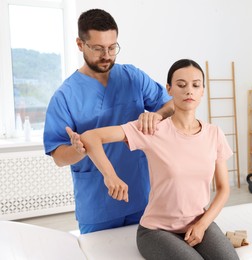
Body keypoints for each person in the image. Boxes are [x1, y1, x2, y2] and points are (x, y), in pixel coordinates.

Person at [80, 59, 239, 259]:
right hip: (156, 231)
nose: (189, 90)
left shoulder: (214, 134)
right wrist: (110, 176)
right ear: (169, 89)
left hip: (198, 222)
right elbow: (90, 137)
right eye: (181, 85)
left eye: (195, 85)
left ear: (202, 91)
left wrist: (202, 225)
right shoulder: (153, 129)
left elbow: (224, 188)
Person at [43, 9, 174, 234]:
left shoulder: (132, 77)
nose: (107, 55)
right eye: (98, 48)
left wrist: (156, 115)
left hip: (140, 192)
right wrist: (78, 150)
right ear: (80, 44)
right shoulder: (65, 96)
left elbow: (171, 105)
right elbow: (59, 158)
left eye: (112, 48)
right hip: (97, 203)